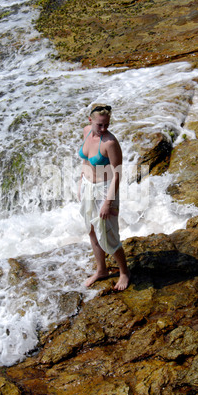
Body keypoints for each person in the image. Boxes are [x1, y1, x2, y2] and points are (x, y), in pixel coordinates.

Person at [78, 104, 130, 291]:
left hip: (105, 190)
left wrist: (108, 203)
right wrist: (80, 181)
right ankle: (102, 270)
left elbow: (117, 174)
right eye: (100, 125)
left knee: (108, 233)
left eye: (106, 125)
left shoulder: (110, 142)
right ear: (90, 120)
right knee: (91, 229)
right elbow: (85, 159)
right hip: (88, 186)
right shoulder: (85, 132)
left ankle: (124, 272)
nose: (103, 129)